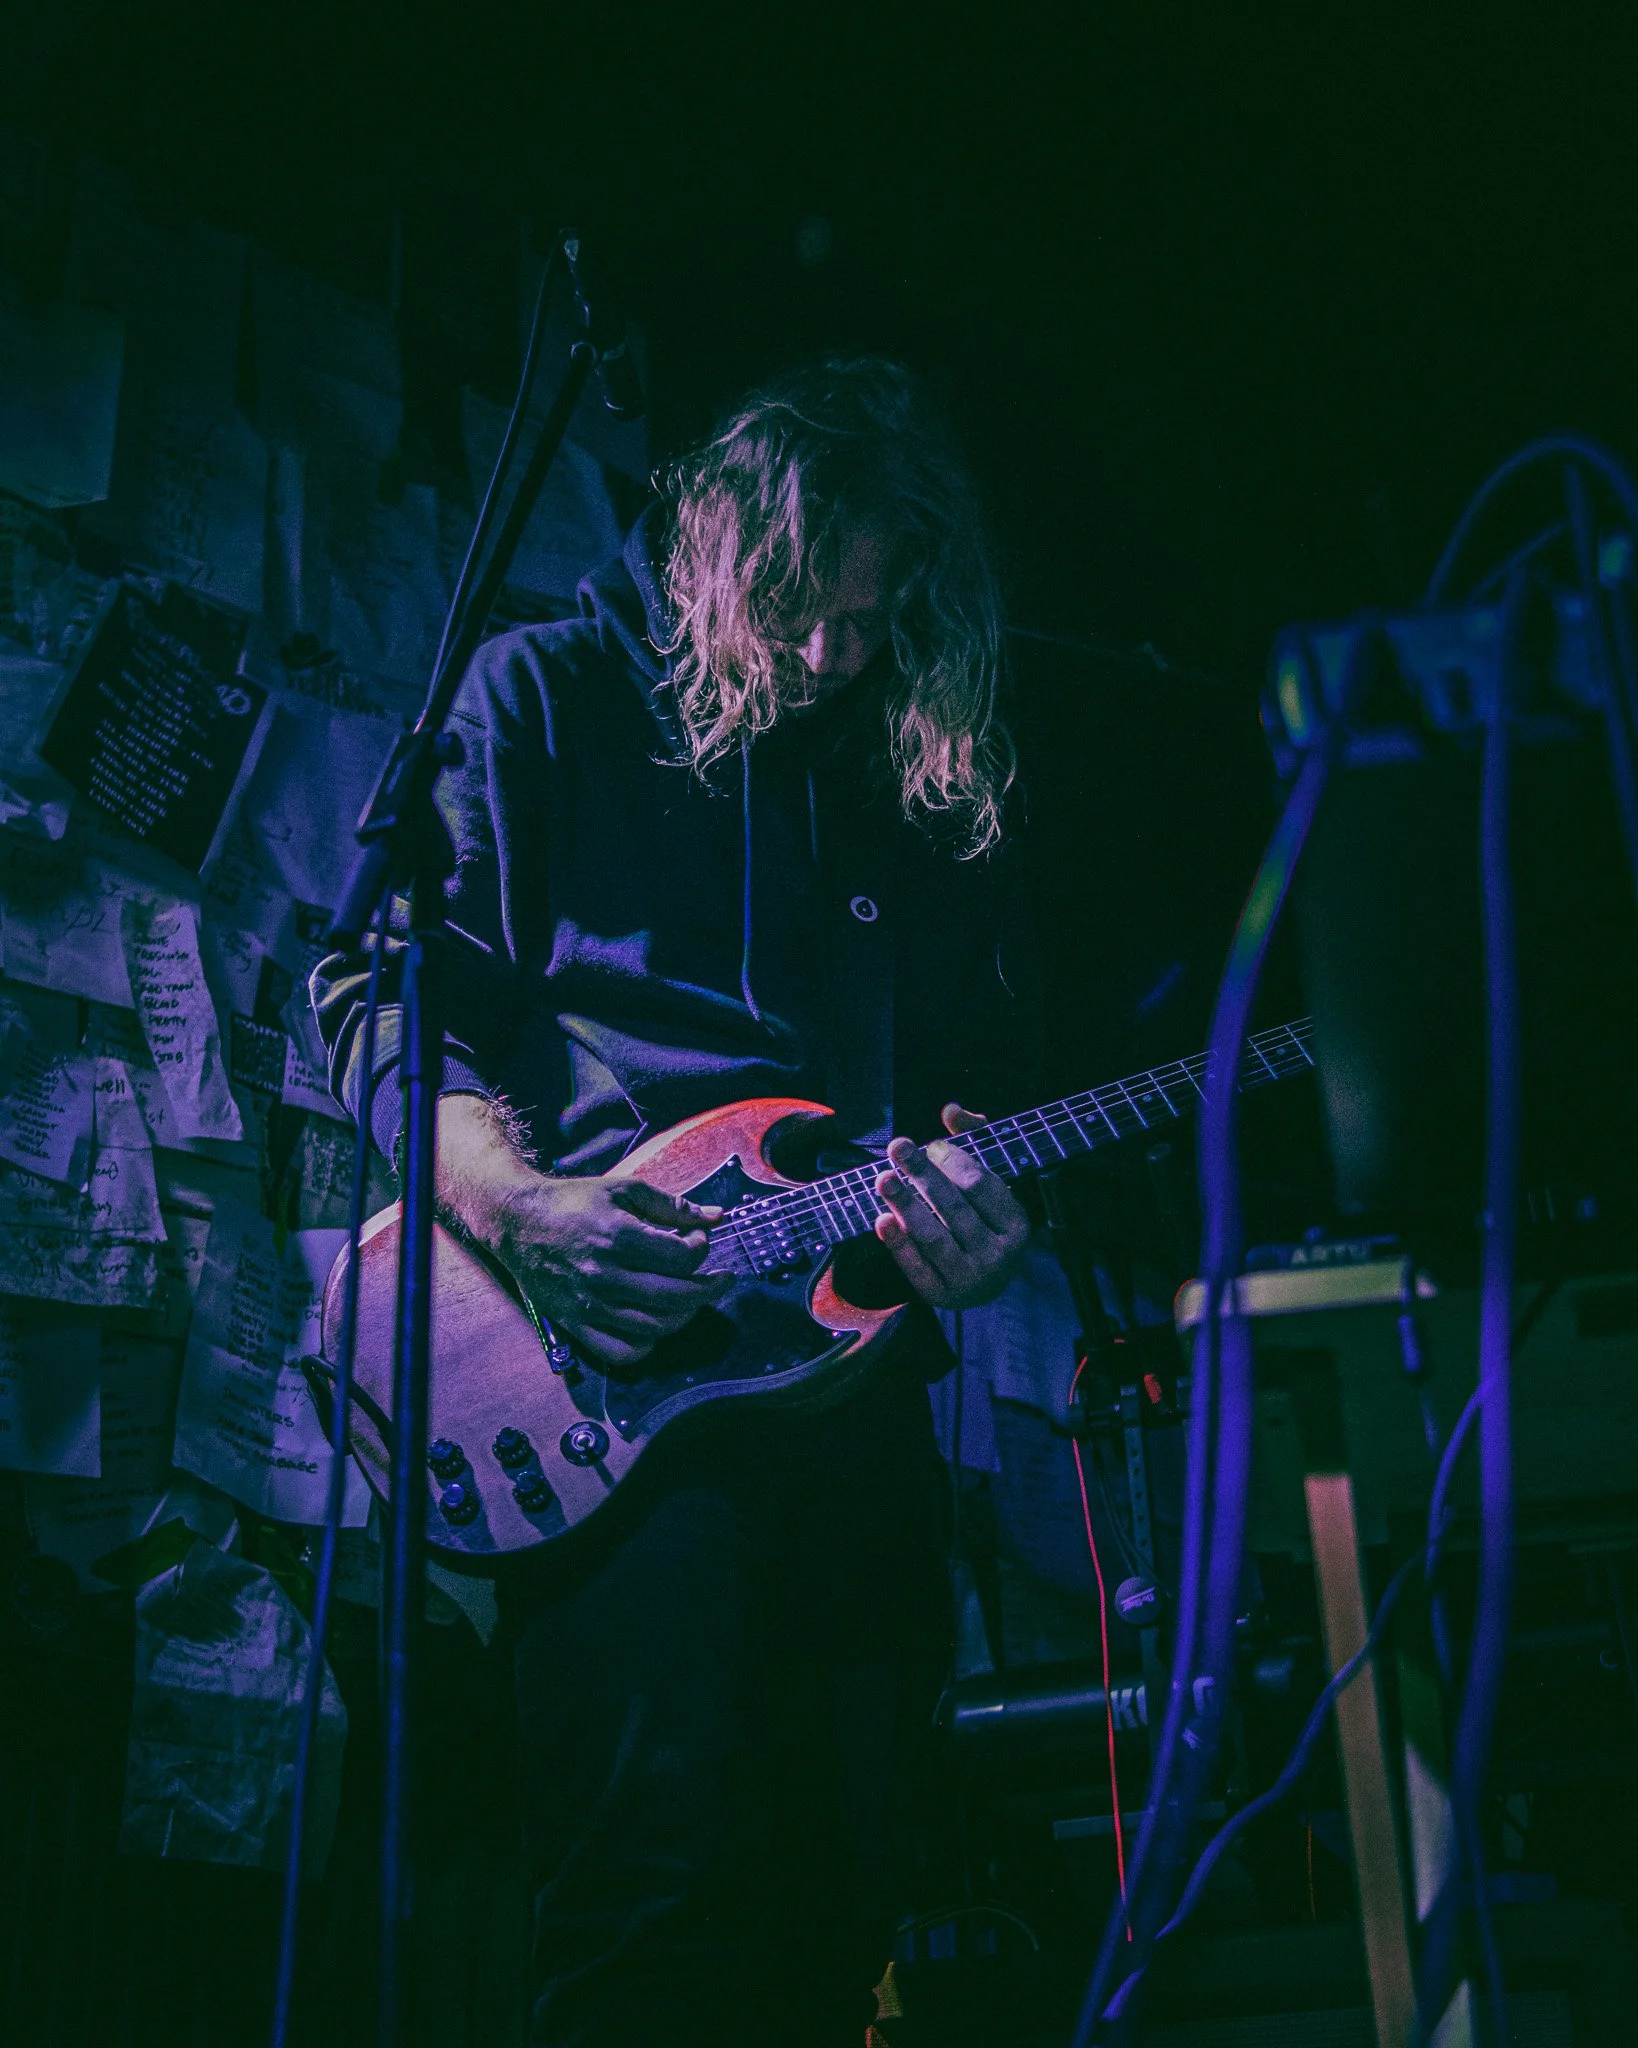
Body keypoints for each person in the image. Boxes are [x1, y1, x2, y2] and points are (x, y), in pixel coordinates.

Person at [313, 355, 1040, 2045]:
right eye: (802, 607)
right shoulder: (547, 694)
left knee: (855, 1891)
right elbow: (372, 995)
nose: (829, 657)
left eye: (870, 619)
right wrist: (517, 1205)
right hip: (612, 1396)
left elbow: (976, 1100)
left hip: (851, 1399)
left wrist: (994, 1229)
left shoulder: (899, 786)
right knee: (650, 1916)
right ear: (716, 549)